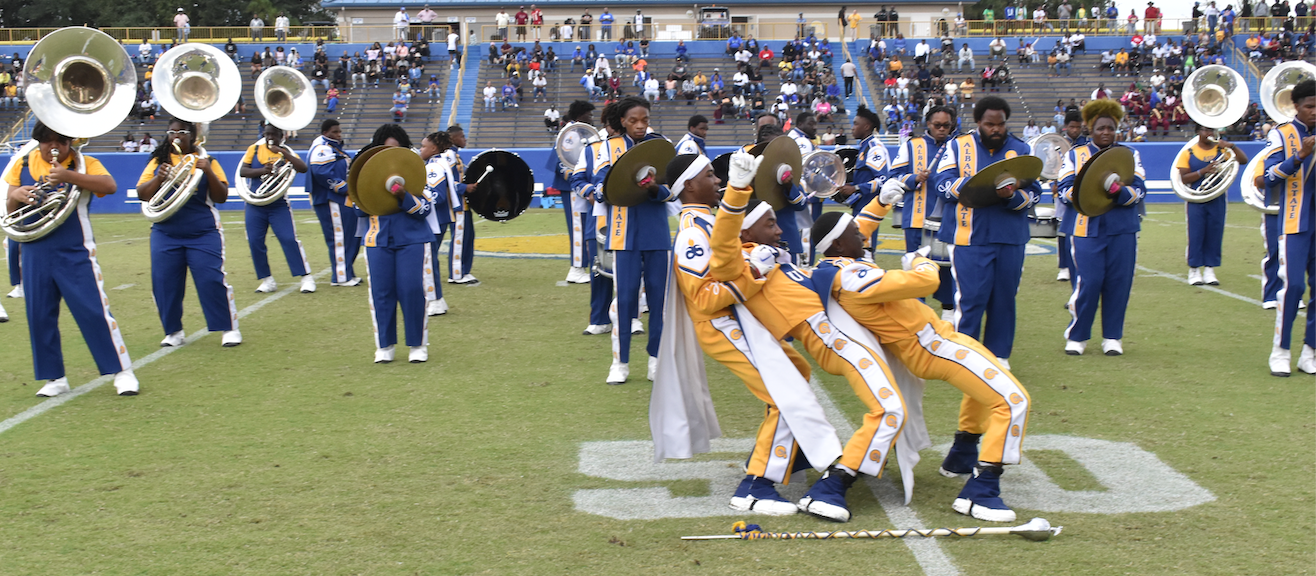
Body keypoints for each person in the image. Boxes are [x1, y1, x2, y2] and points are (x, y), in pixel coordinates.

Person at [708, 159, 908, 524]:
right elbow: (722, 246)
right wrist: (737, 189)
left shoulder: (778, 258)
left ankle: (802, 469)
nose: (778, 228)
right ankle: (830, 487)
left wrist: (880, 205)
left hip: (842, 335)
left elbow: (843, 242)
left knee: (882, 407)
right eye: (769, 224)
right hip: (832, 339)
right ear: (746, 232)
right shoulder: (743, 259)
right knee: (890, 410)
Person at [656, 151, 845, 518]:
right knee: (783, 394)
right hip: (723, 326)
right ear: (690, 185)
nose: (717, 180)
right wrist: (754, 272)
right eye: (710, 175)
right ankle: (756, 486)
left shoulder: (709, 222)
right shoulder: (693, 232)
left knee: (798, 375)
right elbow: (705, 298)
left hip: (741, 323)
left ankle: (784, 452)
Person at [810, 211, 1030, 522]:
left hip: (940, 339)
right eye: (855, 232)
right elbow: (927, 281)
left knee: (992, 381)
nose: (864, 236)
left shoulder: (840, 263)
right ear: (840, 245)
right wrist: (920, 261)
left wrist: (882, 203)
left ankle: (963, 453)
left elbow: (858, 230)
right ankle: (981, 492)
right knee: (1013, 400)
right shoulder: (848, 276)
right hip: (933, 346)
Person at [4, 121, 139, 396]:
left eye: (61, 142)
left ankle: (122, 371)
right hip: (33, 249)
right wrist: (15, 195)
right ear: (38, 141)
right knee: (39, 315)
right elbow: (10, 205)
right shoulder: (22, 164)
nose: (54, 146)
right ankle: (54, 377)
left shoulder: (84, 163)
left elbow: (109, 185)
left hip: (74, 249)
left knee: (92, 310)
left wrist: (67, 175)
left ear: (70, 143)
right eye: (47, 141)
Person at [930, 96, 1041, 369]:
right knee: (970, 298)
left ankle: (999, 356)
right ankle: (965, 354)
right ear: (978, 122)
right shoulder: (957, 146)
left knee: (1005, 297)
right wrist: (975, 187)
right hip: (968, 236)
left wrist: (1012, 196)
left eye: (1000, 124)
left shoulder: (1021, 148)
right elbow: (941, 183)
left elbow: (1034, 193)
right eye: (990, 124)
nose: (996, 130)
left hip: (1010, 236)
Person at [588, 97, 673, 384]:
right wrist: (618, 187)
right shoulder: (608, 148)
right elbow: (600, 187)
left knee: (659, 300)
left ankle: (655, 360)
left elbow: (670, 191)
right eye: (634, 120)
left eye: (644, 120)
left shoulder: (661, 146)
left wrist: (654, 190)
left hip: (656, 232)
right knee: (624, 299)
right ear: (622, 121)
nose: (640, 125)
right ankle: (620, 363)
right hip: (622, 232)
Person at [136, 118, 241, 349]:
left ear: (193, 135)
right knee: (164, 283)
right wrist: (159, 177)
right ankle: (173, 330)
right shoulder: (158, 161)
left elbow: (221, 196)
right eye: (171, 131)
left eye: (182, 131)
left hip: (202, 231)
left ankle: (228, 327)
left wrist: (207, 172)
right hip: (165, 231)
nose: (176, 136)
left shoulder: (207, 160)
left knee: (211, 279)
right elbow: (142, 193)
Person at [1057, 99, 1147, 357]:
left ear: (1116, 129)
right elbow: (1064, 190)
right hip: (1086, 227)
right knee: (1089, 281)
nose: (1105, 132)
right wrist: (1090, 194)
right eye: (1100, 128)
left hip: (1123, 228)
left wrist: (1118, 191)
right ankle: (1077, 335)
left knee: (1119, 282)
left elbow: (1139, 190)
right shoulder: (1075, 154)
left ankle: (1112, 337)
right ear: (1090, 130)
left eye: (1110, 128)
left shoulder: (1129, 154)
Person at [857, 105, 958, 318]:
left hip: (947, 219)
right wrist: (913, 178)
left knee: (947, 267)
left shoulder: (957, 147)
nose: (942, 129)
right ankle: (917, 313)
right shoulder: (912, 146)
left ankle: (948, 312)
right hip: (915, 218)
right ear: (928, 125)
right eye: (937, 125)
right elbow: (894, 175)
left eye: (946, 125)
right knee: (914, 267)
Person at [352, 125, 431, 363]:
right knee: (381, 293)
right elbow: (358, 209)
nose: (390, 155)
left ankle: (417, 344)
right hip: (377, 239)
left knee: (411, 290)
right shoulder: (367, 176)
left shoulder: (416, 172)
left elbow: (424, 209)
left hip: (412, 239)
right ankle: (384, 345)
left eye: (395, 150)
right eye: (384, 150)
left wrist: (403, 196)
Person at [1261, 79, 1316, 376]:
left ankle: (1311, 351)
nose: (1315, 112)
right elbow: (1269, 176)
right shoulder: (1281, 135)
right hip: (1295, 220)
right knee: (1293, 286)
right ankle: (1280, 351)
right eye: (1310, 107)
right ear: (1296, 106)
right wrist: (1300, 157)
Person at [239, 124, 314, 295]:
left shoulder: (286, 151)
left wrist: (284, 154)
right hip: (255, 203)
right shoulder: (255, 148)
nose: (270, 137)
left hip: (278, 204)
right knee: (255, 241)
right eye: (267, 134)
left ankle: (306, 277)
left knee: (288, 239)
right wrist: (262, 170)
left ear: (282, 135)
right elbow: (243, 171)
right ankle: (267, 279)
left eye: (274, 134)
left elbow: (302, 168)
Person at [1177, 124, 1248, 287]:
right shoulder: (1188, 152)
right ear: (1197, 132)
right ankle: (1194, 270)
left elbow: (1243, 160)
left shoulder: (1222, 150)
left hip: (1217, 198)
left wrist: (1232, 146)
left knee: (1215, 233)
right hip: (1196, 198)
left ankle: (1210, 269)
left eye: (1211, 130)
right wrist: (1204, 171)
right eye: (1204, 130)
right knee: (1196, 233)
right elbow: (1184, 178)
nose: (1209, 133)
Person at [307, 119, 361, 287]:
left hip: (340, 199)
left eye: (339, 131)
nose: (339, 135)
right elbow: (322, 173)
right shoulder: (322, 148)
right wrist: (345, 188)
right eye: (334, 132)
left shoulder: (333, 148)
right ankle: (341, 276)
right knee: (339, 237)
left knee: (348, 236)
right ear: (325, 133)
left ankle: (347, 271)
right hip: (331, 199)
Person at [419, 130, 462, 317]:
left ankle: (434, 300)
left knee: (428, 260)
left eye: (423, 146)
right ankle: (438, 299)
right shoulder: (437, 163)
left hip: (435, 219)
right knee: (430, 259)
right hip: (440, 218)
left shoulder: (434, 167)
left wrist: (417, 201)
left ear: (434, 148)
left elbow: (438, 196)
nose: (420, 149)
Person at [442, 125, 478, 285]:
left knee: (468, 236)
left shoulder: (455, 155)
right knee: (459, 238)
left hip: (463, 204)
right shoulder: (449, 155)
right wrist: (465, 187)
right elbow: (447, 181)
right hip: (457, 205)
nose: (465, 139)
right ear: (453, 138)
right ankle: (456, 274)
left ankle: (464, 270)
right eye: (462, 136)